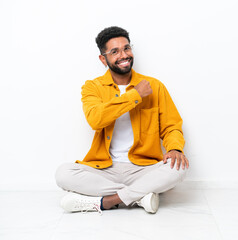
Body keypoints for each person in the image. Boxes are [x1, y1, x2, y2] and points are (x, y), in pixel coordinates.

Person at [55, 26, 189, 214]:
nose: (123, 55)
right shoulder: (92, 87)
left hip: (144, 167)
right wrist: (134, 95)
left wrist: (175, 148)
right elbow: (95, 119)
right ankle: (140, 196)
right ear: (103, 59)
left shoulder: (154, 86)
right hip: (105, 169)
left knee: (179, 168)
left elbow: (171, 126)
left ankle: (108, 201)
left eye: (126, 48)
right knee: (63, 174)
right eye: (114, 51)